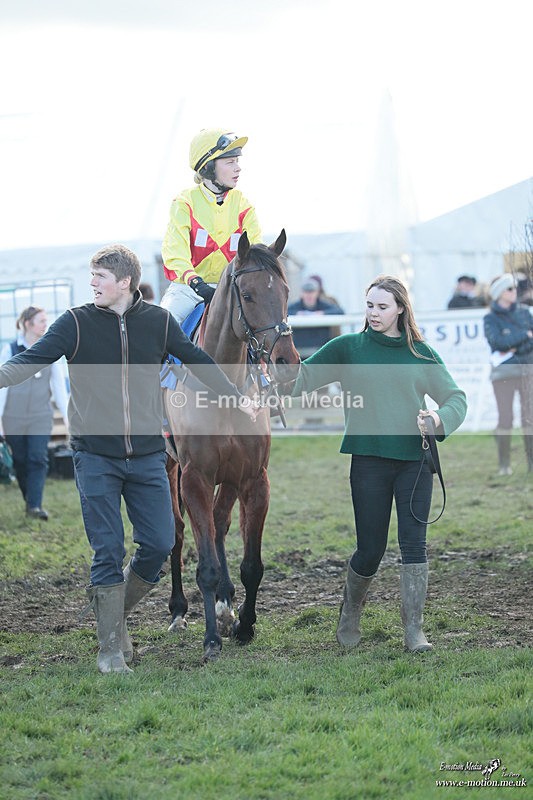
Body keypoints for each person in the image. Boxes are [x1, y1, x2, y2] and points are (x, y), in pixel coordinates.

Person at [0, 244, 258, 675]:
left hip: (146, 456)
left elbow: (197, 360)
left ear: (125, 282)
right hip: (94, 456)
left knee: (158, 545)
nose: (92, 283)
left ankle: (110, 610)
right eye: (92, 276)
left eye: (100, 276)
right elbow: (29, 360)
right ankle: (109, 652)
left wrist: (237, 398)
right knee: (108, 550)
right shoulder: (75, 323)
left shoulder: (157, 322)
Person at [292, 275, 467, 652]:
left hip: (414, 463)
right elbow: (300, 380)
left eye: (382, 306)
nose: (374, 313)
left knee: (414, 545)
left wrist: (438, 420)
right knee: (370, 549)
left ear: (401, 309)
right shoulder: (348, 348)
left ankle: (414, 631)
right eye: (369, 305)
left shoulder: (421, 353)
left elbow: (455, 398)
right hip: (368, 461)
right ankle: (350, 612)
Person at [160, 128, 262, 324]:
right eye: (230, 162)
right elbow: (175, 253)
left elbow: (255, 250)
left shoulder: (244, 205)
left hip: (231, 290)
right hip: (188, 291)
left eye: (237, 161)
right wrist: (195, 282)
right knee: (161, 326)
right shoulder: (184, 202)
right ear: (207, 167)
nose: (238, 168)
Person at [0, 306, 69, 520]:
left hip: (40, 415)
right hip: (13, 417)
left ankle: (35, 507)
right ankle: (30, 500)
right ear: (28, 323)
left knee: (38, 458)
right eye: (41, 320)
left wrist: (69, 420)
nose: (45, 324)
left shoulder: (51, 350)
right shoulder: (10, 349)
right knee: (20, 460)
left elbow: (59, 387)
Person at [483, 273, 533, 475]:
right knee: (506, 418)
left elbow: (529, 343)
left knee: (529, 418)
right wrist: (523, 336)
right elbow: (497, 343)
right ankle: (504, 464)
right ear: (499, 294)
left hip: (527, 371)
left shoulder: (524, 313)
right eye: (510, 289)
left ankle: (531, 464)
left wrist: (514, 345)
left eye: (514, 288)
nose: (514, 292)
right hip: (503, 374)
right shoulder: (490, 318)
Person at [288, 277, 344, 358]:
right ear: (302, 293)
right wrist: (297, 314)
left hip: (322, 350)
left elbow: (340, 311)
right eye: (306, 292)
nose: (309, 295)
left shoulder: (323, 305)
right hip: (300, 351)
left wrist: (323, 313)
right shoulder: (296, 306)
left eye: (312, 292)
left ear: (317, 293)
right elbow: (284, 312)